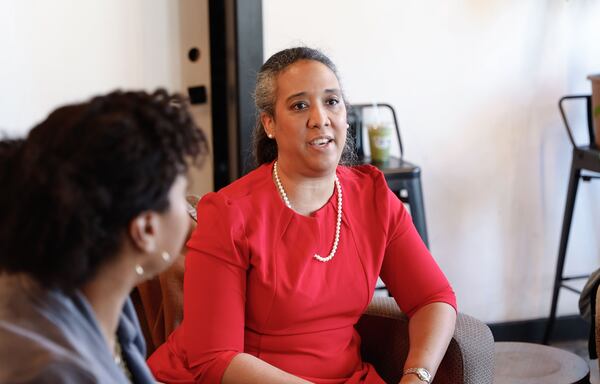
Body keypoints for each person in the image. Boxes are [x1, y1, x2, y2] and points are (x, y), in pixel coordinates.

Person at [147, 47, 457, 384]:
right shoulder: (229, 213)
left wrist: (417, 375)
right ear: (270, 123)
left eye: (331, 101)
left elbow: (433, 298)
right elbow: (215, 358)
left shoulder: (374, 198)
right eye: (299, 105)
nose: (320, 118)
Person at [0, 90, 208, 383]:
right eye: (182, 192)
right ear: (146, 229)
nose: (191, 207)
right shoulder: (53, 371)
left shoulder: (97, 289)